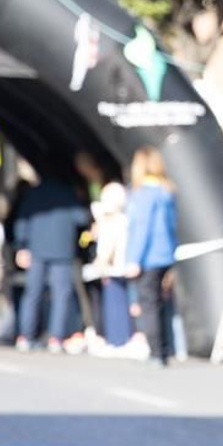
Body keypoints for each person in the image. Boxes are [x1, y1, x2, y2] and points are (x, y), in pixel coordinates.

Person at [12, 169, 91, 353]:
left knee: (33, 293)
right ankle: (56, 338)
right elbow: (81, 218)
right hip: (62, 250)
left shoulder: (33, 193)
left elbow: (22, 219)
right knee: (61, 294)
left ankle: (25, 336)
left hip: (37, 249)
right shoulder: (69, 192)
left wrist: (21, 245)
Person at [124, 146, 179, 367]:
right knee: (161, 302)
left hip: (148, 256)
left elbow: (142, 228)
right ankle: (166, 348)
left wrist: (134, 259)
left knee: (148, 304)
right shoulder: (166, 191)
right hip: (165, 253)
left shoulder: (143, 194)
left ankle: (156, 351)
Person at [91, 180, 136, 352]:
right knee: (125, 302)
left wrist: (100, 262)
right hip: (125, 265)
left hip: (112, 268)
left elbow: (107, 247)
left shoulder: (110, 221)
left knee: (114, 304)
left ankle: (117, 341)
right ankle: (126, 338)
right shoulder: (126, 218)